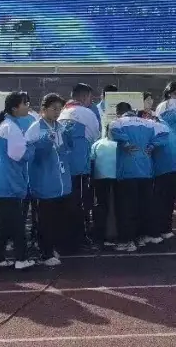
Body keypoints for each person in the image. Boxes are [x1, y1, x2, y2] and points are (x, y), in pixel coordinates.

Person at [0, 92, 35, 270]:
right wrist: (32, 146)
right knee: (17, 225)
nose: (27, 106)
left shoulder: (2, 125)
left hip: (1, 183)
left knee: (2, 224)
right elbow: (19, 155)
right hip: (10, 184)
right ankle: (21, 259)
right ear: (15, 108)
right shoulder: (11, 127)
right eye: (25, 103)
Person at [110, 103, 169, 251]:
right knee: (144, 205)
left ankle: (127, 241)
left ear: (119, 112)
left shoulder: (118, 122)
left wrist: (125, 142)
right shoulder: (147, 123)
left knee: (126, 207)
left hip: (127, 171)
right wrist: (152, 146)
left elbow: (112, 130)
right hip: (146, 170)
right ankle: (142, 237)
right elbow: (165, 132)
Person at [26, 94, 72, 266]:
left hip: (61, 183)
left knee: (58, 219)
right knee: (45, 220)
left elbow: (65, 150)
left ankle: (51, 248)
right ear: (43, 109)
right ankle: (45, 253)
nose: (57, 112)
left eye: (59, 109)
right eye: (54, 109)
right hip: (44, 182)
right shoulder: (35, 128)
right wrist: (45, 142)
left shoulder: (60, 127)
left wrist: (69, 137)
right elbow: (31, 154)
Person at [58, 83, 101, 248]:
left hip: (63, 167)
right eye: (90, 98)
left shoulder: (61, 112)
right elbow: (95, 136)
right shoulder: (87, 113)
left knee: (65, 202)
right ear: (84, 97)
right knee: (82, 202)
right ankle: (80, 238)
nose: (91, 101)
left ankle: (65, 237)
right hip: (81, 166)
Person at [154, 81, 176, 207]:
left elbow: (156, 124)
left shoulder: (161, 106)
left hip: (164, 144)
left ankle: (162, 197)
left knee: (163, 171)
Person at [148, 109, 176, 243]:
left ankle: (155, 233)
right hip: (175, 168)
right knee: (168, 202)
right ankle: (166, 230)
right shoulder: (166, 125)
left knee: (157, 202)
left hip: (162, 170)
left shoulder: (152, 127)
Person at [89, 125, 119, 247]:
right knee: (117, 207)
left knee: (102, 207)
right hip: (117, 179)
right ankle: (115, 234)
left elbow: (91, 160)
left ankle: (100, 236)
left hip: (100, 179)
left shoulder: (97, 144)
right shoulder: (120, 145)